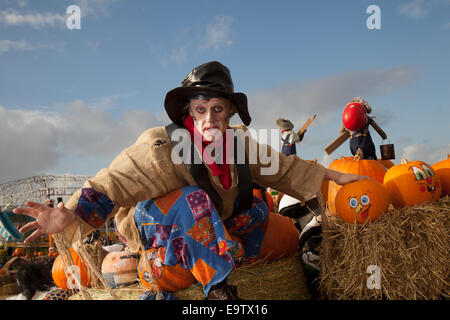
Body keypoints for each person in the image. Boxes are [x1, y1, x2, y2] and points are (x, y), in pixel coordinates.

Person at [15, 61, 368, 300]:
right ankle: (216, 286)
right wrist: (70, 213)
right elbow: (114, 181)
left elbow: (285, 170)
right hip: (154, 224)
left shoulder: (239, 145)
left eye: (218, 109)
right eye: (201, 109)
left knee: (261, 213)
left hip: (207, 221)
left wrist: (332, 178)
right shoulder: (161, 147)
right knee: (193, 200)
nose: (210, 118)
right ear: (189, 112)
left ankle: (221, 252)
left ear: (230, 113)